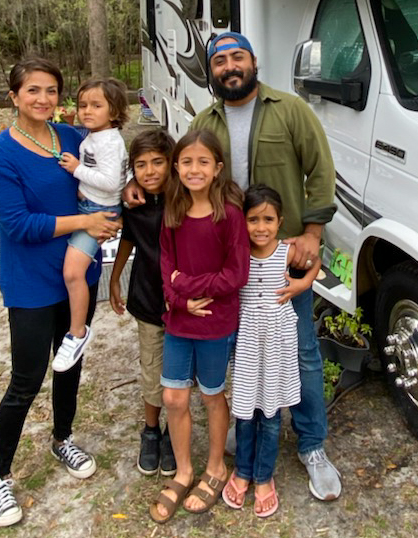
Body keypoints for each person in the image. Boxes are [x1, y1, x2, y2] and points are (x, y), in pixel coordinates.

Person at [126, 30, 341, 500]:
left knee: (299, 349)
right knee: (239, 358)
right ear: (212, 72)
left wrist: (311, 233)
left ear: (254, 61)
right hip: (225, 260)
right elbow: (183, 176)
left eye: (237, 56)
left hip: (278, 256)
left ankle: (312, 445)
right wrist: (135, 190)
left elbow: (321, 170)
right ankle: (241, 452)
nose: (229, 66)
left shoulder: (290, 110)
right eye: (219, 60)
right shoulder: (205, 120)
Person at [0, 58, 121, 527]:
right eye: (33, 90)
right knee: (26, 378)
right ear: (14, 95)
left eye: (52, 91)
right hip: (32, 281)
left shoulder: (76, 138)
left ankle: (62, 437)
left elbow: (112, 179)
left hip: (79, 274)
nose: (43, 99)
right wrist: (86, 222)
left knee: (70, 360)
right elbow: (17, 224)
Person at [149, 130, 249, 523]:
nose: (194, 169)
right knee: (174, 398)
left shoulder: (229, 215)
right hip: (178, 319)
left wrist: (187, 285)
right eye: (186, 162)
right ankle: (185, 470)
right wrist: (178, 298)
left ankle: (214, 468)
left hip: (214, 321)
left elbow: (235, 274)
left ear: (217, 168)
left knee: (210, 395)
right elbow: (165, 270)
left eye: (203, 162)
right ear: (176, 167)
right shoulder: (173, 212)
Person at [223, 184, 322, 517]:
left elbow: (317, 258)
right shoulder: (238, 254)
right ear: (243, 221)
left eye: (268, 219)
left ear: (280, 221)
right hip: (249, 338)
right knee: (246, 407)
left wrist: (303, 284)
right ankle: (242, 471)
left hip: (279, 339)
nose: (261, 227)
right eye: (253, 219)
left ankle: (264, 476)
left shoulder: (287, 251)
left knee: (270, 409)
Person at [107, 128, 177, 477]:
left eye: (157, 163)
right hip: (148, 300)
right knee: (152, 369)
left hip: (184, 306)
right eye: (141, 165)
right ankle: (150, 430)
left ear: (171, 164)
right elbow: (128, 240)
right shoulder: (133, 204)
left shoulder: (186, 201)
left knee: (178, 375)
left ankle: (171, 433)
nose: (149, 171)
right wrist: (116, 276)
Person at [52, 77, 129, 372]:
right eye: (83, 105)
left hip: (98, 213)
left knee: (73, 273)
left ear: (114, 111)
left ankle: (77, 333)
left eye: (96, 105)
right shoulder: (96, 135)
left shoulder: (110, 141)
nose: (86, 111)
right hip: (89, 207)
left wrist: (77, 169)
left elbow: (110, 183)